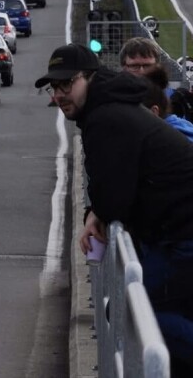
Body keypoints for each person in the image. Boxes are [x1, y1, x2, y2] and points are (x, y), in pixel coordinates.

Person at [36, 43, 193, 370]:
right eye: (54, 87)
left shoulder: (106, 118)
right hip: (175, 234)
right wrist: (99, 212)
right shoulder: (111, 108)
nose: (60, 94)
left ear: (89, 78)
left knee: (126, 312)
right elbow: (112, 191)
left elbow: (112, 198)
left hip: (184, 240)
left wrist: (99, 211)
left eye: (67, 84)